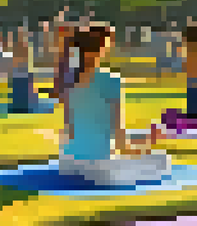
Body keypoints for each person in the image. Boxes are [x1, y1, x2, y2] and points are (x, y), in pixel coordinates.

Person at [59, 25, 171, 186]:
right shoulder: (111, 80)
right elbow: (121, 144)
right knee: (162, 159)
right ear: (101, 49)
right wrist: (147, 144)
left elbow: (70, 131)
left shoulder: (69, 80)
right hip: (99, 169)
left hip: (67, 164)